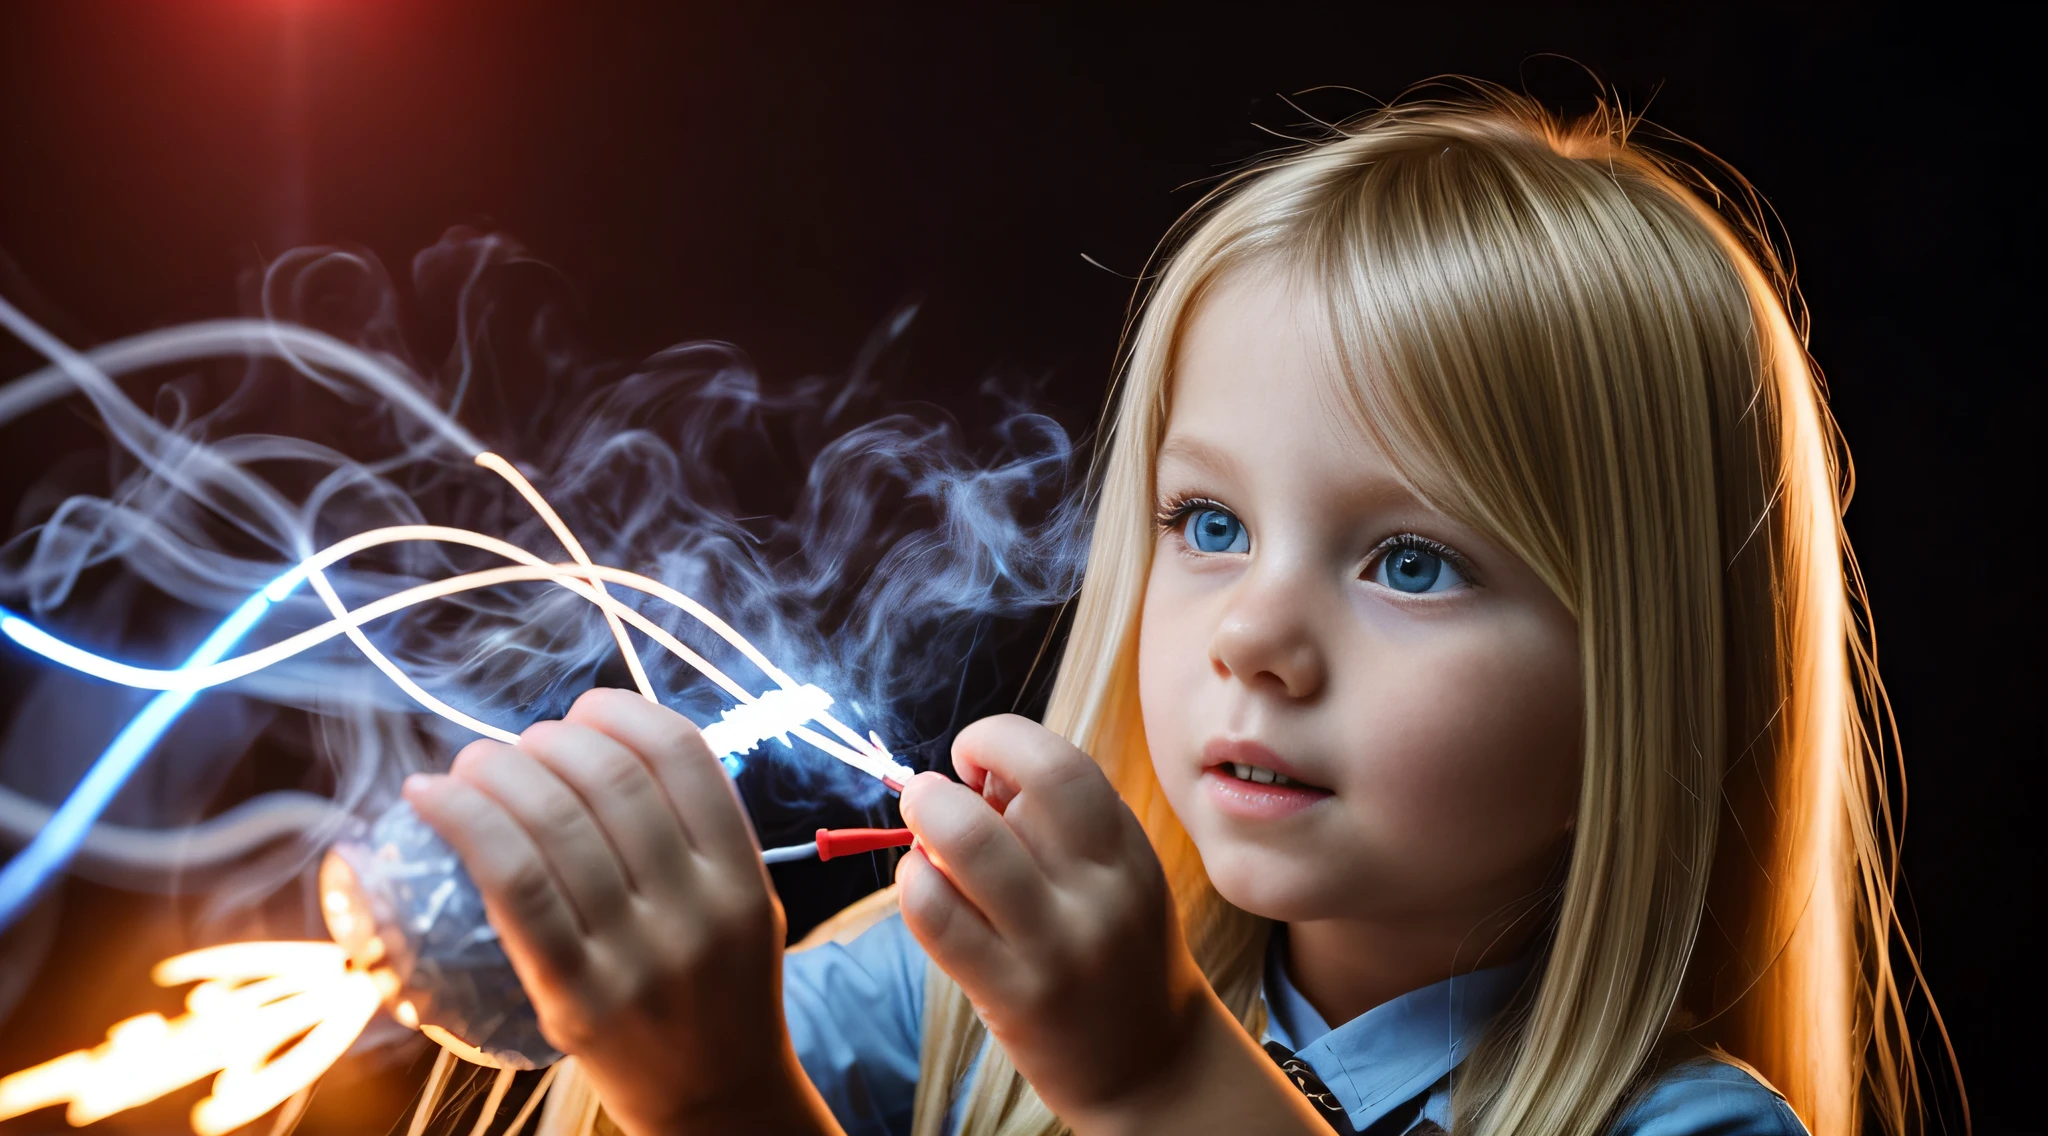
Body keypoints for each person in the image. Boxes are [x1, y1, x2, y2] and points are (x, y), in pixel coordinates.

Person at [405, 86, 1926, 1136]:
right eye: (1208, 523)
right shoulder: (936, 995)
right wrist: (644, 1033)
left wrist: (1146, 1074)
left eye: (1410, 560)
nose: (1249, 636)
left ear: (1642, 672)